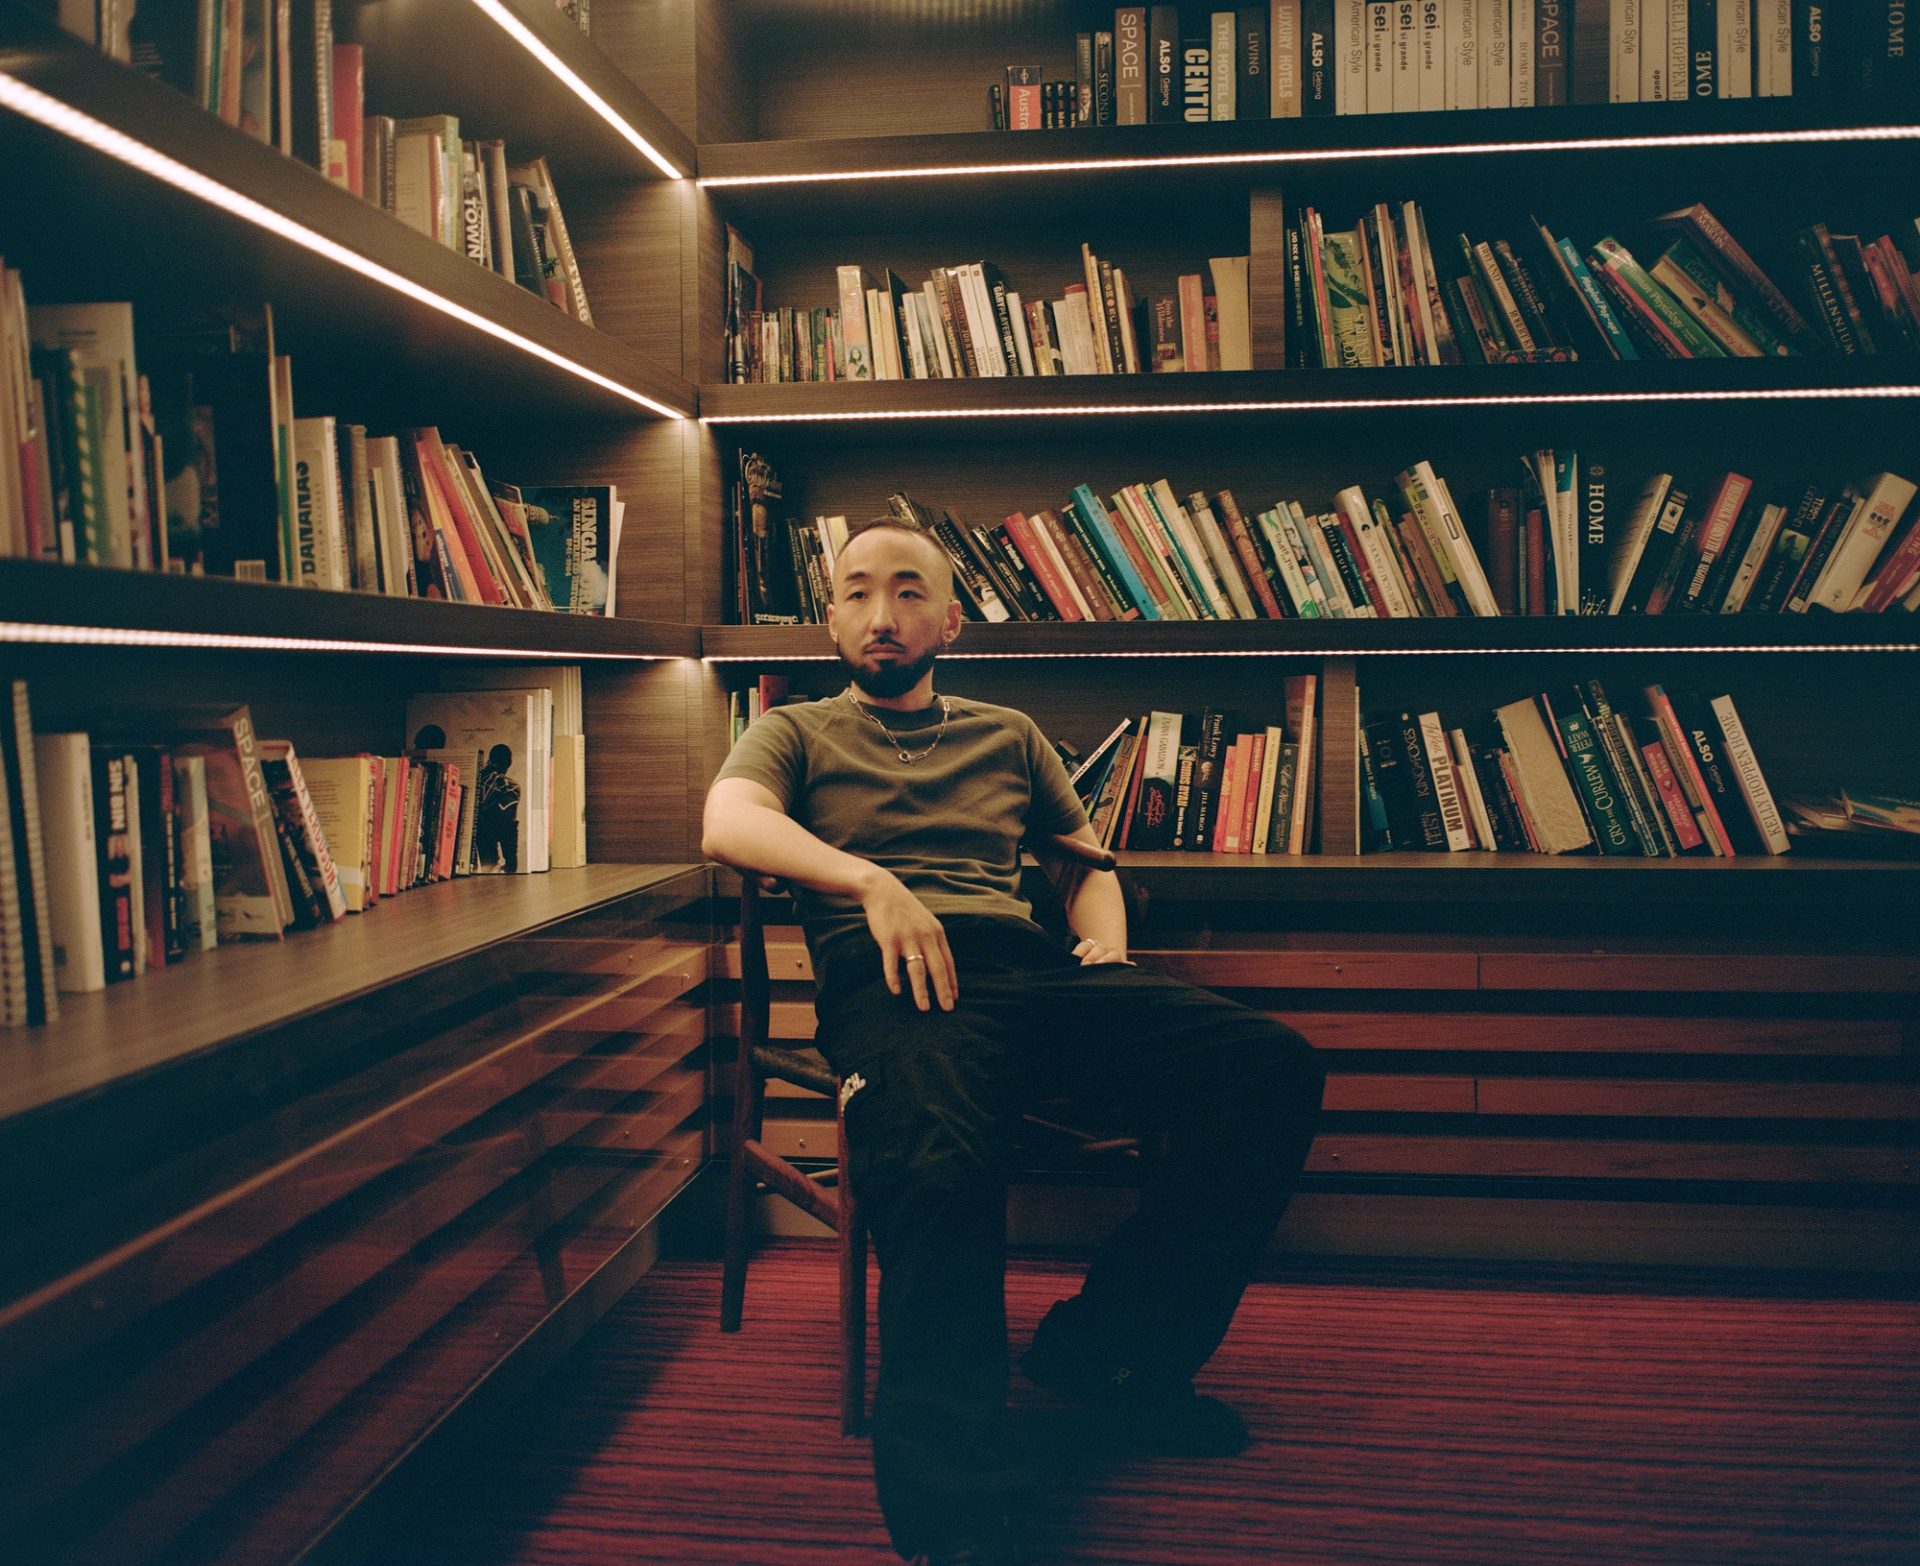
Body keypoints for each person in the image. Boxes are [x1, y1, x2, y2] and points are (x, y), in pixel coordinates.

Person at [702, 519, 1324, 1566]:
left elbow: (1088, 864)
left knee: (1269, 1070)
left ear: (952, 618)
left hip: (1033, 977)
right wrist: (870, 881)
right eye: (857, 593)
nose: (882, 615)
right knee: (940, 1162)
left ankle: (1105, 1355)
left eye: (908, 593)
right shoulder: (796, 730)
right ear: (832, 618)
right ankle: (957, 1512)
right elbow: (726, 821)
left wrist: (1104, 953)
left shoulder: (1008, 732)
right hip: (895, 984)